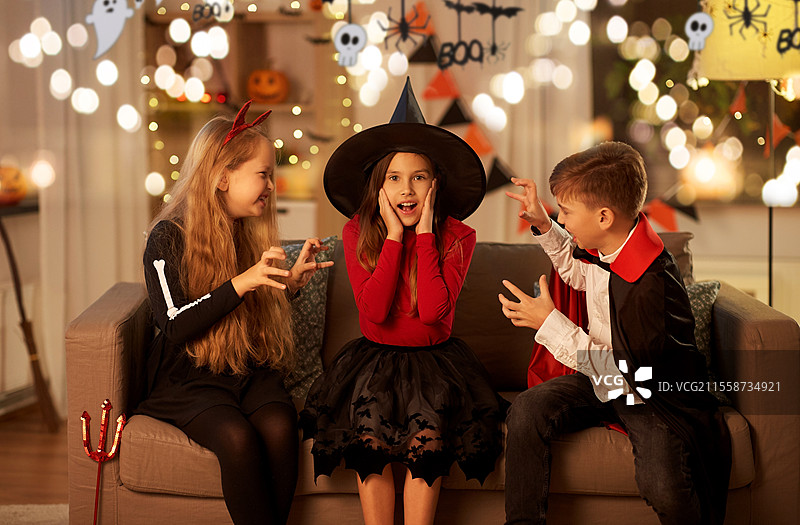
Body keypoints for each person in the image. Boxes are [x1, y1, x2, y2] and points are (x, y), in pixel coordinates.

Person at [300, 78, 506, 525]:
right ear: (378, 187)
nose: (406, 190)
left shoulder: (458, 237)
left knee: (426, 436)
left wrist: (426, 234)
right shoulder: (358, 232)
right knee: (369, 437)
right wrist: (394, 237)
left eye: (418, 178)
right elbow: (373, 313)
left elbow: (433, 314)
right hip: (374, 360)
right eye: (394, 178)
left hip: (436, 362)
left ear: (436, 184)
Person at [499, 141, 731, 525]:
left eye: (567, 212)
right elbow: (577, 272)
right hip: (604, 375)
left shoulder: (650, 285)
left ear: (604, 216)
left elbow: (626, 376)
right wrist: (544, 225)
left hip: (649, 391)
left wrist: (550, 323)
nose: (563, 218)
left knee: (664, 485)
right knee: (525, 411)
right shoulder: (609, 245)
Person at [135, 101, 333, 525]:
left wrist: (290, 286)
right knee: (237, 437)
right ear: (222, 176)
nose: (271, 186)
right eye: (263, 174)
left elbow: (249, 314)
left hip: (245, 370)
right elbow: (174, 325)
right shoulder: (167, 238)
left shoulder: (246, 230)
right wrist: (242, 282)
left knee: (281, 426)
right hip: (189, 377)